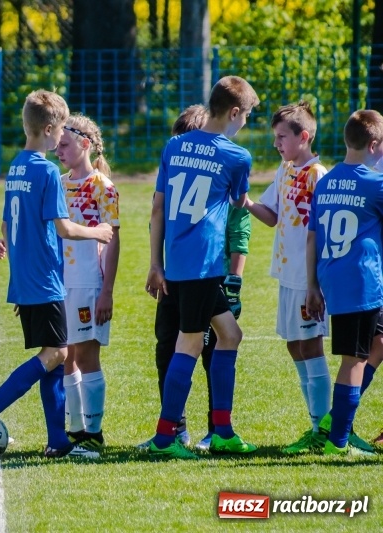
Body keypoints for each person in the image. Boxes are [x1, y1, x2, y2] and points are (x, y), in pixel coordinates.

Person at [0, 89, 112, 464]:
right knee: (57, 353)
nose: (62, 138)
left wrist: (23, 278)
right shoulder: (45, 171)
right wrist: (98, 232)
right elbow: (63, 227)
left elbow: (9, 227)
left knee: (55, 356)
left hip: (29, 277)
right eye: (60, 131)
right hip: (46, 278)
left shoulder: (16, 166)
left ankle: (58, 440)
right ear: (48, 129)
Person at [145, 76, 260, 459]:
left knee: (230, 335)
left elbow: (158, 208)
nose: (246, 122)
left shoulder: (174, 145)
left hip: (178, 262)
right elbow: (240, 201)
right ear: (234, 112)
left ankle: (222, 430)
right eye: (247, 115)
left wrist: (156, 263)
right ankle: (165, 438)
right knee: (190, 343)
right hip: (204, 263)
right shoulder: (237, 156)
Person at [243, 102, 333, 454]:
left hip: (308, 279)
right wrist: (245, 202)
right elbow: (272, 216)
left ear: (304, 136)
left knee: (310, 346)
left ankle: (322, 429)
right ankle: (316, 424)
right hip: (287, 275)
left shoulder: (317, 175)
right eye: (276, 137)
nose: (276, 143)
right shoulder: (285, 169)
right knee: (294, 345)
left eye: (282, 137)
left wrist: (315, 284)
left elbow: (320, 232)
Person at [305, 109, 383, 456]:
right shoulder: (375, 184)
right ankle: (338, 441)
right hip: (360, 284)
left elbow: (313, 237)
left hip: (336, 278)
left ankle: (335, 420)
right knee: (353, 361)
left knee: (378, 343)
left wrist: (312, 285)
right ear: (374, 145)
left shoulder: (326, 182)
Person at [54, 113, 120, 451]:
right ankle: (75, 429)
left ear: (84, 144)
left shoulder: (101, 186)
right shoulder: (58, 182)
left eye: (64, 145)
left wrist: (107, 291)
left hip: (88, 282)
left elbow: (113, 240)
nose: (58, 151)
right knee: (65, 356)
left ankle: (94, 434)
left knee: (86, 356)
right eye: (56, 145)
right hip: (60, 282)